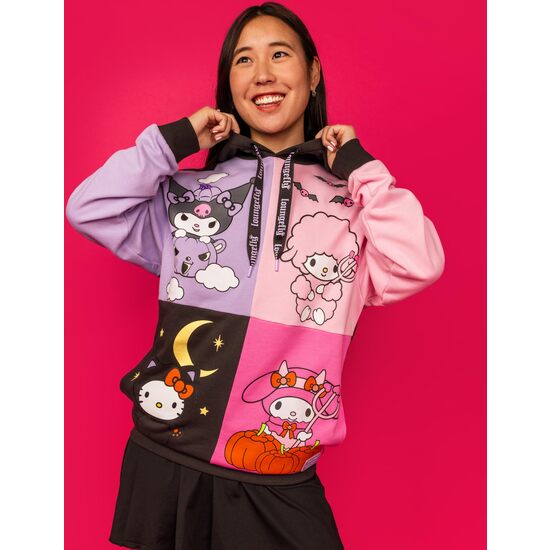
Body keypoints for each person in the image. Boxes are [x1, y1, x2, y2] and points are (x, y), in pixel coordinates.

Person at [66, 2, 445, 549]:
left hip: (277, 467)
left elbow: (420, 262)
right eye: (244, 60)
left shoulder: (353, 207)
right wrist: (176, 140)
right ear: (229, 84)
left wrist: (360, 168)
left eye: (280, 55)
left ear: (312, 72)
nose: (262, 74)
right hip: (166, 456)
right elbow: (89, 208)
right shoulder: (190, 197)